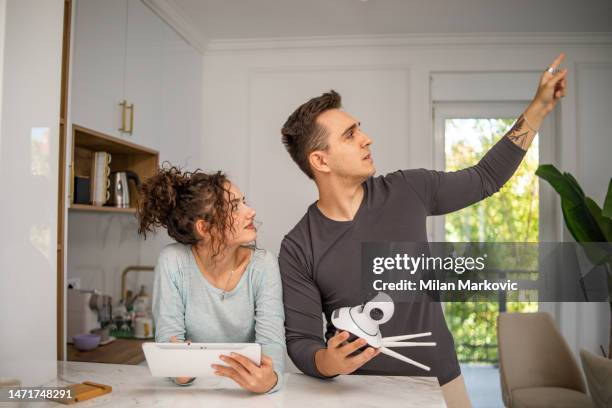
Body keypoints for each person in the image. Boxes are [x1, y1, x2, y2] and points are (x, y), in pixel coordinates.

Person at [278, 53, 568, 407]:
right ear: (320, 160)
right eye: (351, 135)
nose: (366, 139)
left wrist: (538, 109)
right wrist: (326, 361)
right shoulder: (298, 247)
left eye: (360, 129)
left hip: (441, 382)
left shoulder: (408, 189)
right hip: (357, 394)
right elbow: (302, 341)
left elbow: (485, 178)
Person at [137, 166, 286, 393]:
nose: (251, 211)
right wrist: (181, 373)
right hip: (190, 395)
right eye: (235, 207)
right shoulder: (173, 262)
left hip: (244, 393)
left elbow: (272, 348)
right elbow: (169, 340)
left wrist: (271, 380)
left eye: (243, 202)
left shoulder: (263, 265)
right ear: (204, 228)